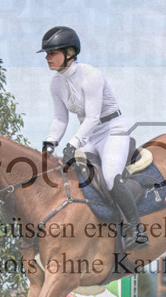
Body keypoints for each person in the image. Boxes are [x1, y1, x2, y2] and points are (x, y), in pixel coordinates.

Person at [38, 26, 149, 250]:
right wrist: (50, 143)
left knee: (109, 178)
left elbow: (93, 116)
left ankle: (136, 230)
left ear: (69, 53)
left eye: (52, 53)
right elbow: (60, 119)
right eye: (47, 54)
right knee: (79, 178)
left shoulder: (90, 75)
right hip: (89, 133)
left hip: (112, 130)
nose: (48, 58)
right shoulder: (56, 83)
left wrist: (73, 144)